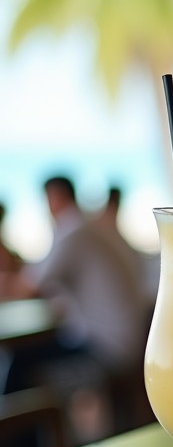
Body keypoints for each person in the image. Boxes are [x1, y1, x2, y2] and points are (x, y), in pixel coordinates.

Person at [5, 176, 152, 433]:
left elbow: (28, 288)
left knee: (21, 363)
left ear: (55, 198)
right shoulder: (95, 226)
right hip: (133, 341)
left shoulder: (73, 231)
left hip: (107, 349)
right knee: (32, 355)